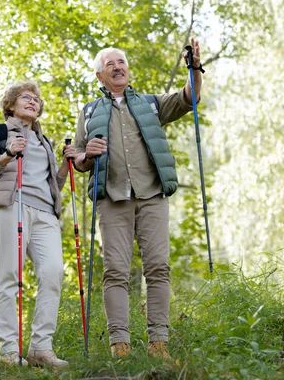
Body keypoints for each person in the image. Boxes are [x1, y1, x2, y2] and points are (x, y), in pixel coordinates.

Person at [65, 38, 203, 359]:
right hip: (112, 200)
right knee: (115, 271)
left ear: (128, 69)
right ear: (99, 76)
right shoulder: (89, 112)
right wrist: (87, 154)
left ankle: (158, 344)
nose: (118, 66)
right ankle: (120, 347)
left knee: (158, 267)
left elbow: (190, 97)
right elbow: (81, 161)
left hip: (152, 194)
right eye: (110, 64)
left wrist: (194, 68)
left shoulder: (150, 103)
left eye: (122, 62)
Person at [0, 80, 71, 368]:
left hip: (45, 213)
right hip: (9, 207)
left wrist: (66, 166)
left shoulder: (44, 141)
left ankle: (40, 348)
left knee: (53, 272)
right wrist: (7, 155)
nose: (33, 102)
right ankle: (9, 352)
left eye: (36, 99)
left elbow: (53, 184)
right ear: (11, 104)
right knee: (9, 277)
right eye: (26, 97)